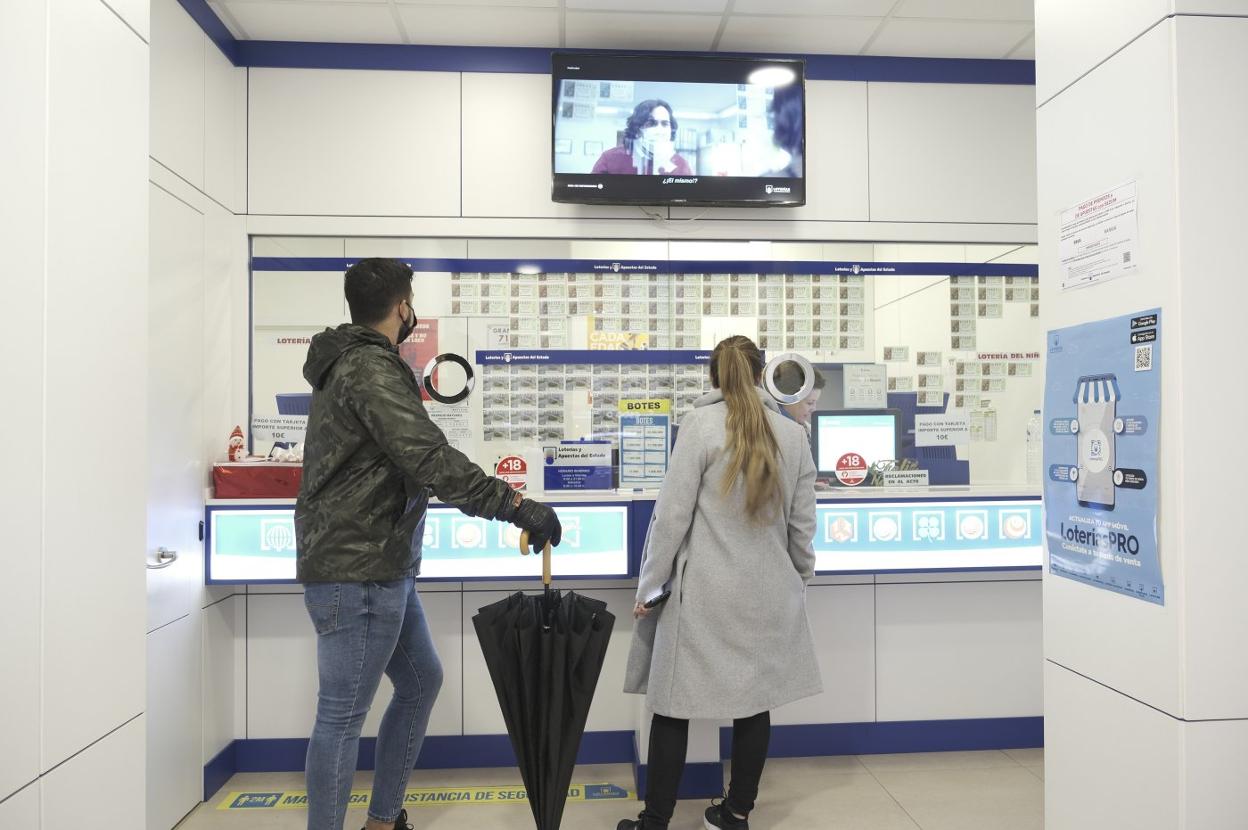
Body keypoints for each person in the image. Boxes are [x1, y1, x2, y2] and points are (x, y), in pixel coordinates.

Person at [295, 258, 563, 830]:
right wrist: (516, 505)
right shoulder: (368, 368)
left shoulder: (351, 363)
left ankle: (384, 819)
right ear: (401, 307)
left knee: (421, 681)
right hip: (359, 569)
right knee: (341, 717)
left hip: (377, 564)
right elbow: (428, 457)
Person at [618, 335, 822, 830]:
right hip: (767, 593)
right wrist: (799, 578)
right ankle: (734, 814)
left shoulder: (700, 426)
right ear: (760, 376)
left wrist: (650, 587)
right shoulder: (792, 435)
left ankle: (655, 821)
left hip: (703, 596)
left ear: (714, 376)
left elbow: (671, 518)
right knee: (754, 707)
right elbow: (802, 526)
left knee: (671, 705)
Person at [592, 99, 692, 176]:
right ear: (637, 129)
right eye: (651, 123)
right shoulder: (610, 158)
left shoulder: (681, 165)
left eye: (665, 124)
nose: (659, 130)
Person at [774, 363, 825, 433]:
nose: (813, 409)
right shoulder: (773, 431)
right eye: (810, 403)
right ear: (789, 398)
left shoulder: (807, 429)